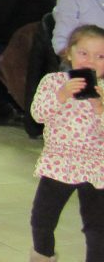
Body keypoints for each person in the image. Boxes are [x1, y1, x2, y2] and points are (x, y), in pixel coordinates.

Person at [26, 24, 104, 262]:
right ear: (69, 53)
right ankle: (43, 255)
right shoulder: (53, 81)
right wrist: (61, 95)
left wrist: (100, 108)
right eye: (83, 53)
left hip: (97, 166)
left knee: (97, 226)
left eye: (100, 56)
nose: (90, 61)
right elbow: (37, 114)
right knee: (42, 219)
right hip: (58, 163)